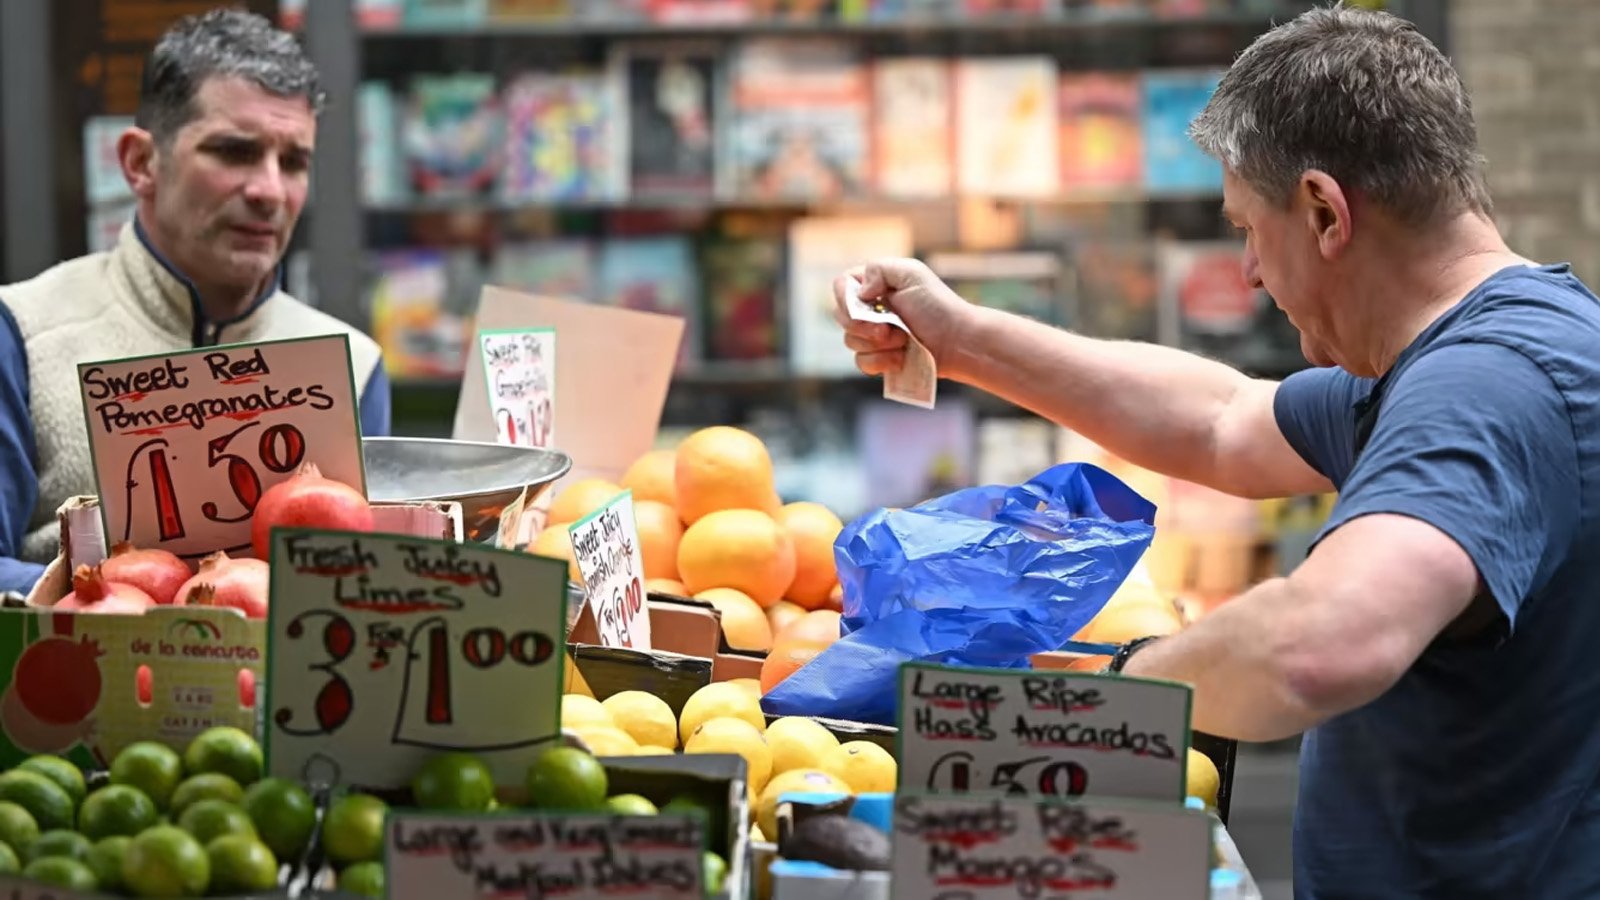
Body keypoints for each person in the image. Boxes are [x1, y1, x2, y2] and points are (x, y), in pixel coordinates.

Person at [837, 7, 1600, 898]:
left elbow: (1318, 645)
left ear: (1323, 211)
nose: (1247, 275)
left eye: (1247, 228)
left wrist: (1097, 700)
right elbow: (1221, 421)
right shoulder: (1481, 353)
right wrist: (961, 337)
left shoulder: (1483, 391)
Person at [0, 9, 389, 595]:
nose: (269, 191)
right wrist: (125, 601)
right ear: (139, 162)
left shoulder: (354, 365)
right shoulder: (24, 332)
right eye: (234, 152)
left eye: (294, 162)